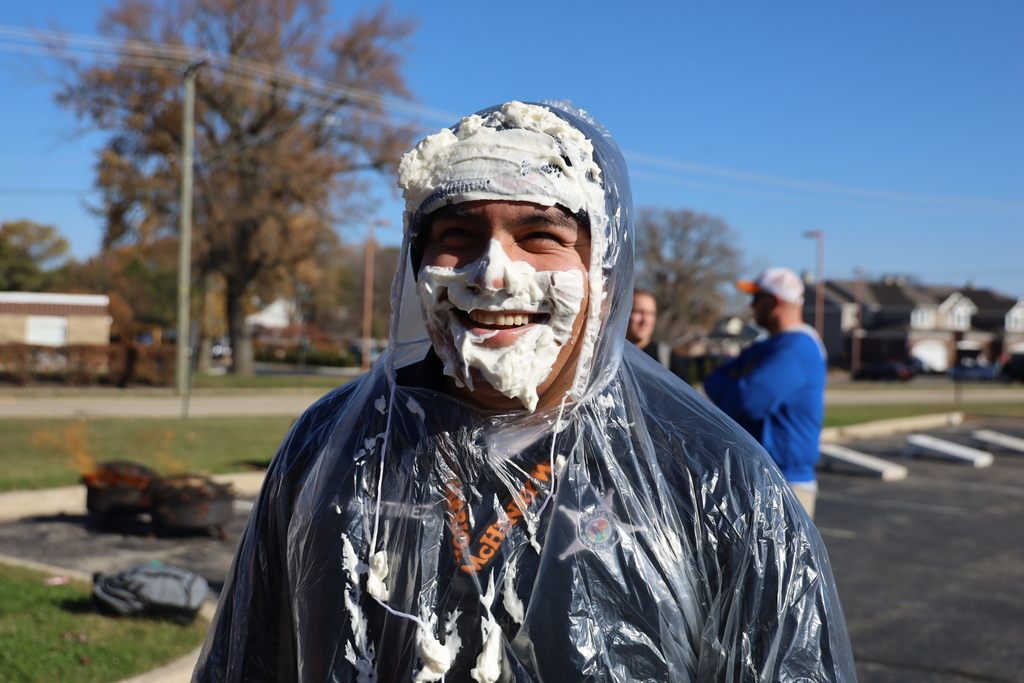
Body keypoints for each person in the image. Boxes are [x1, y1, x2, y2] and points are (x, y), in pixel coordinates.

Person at [193, 102, 854, 682]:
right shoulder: (331, 447)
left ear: (604, 268)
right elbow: (249, 659)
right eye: (457, 236)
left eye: (540, 236)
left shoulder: (712, 476)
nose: (493, 273)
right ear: (417, 262)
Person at [704, 267, 827, 519]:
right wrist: (737, 386)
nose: (751, 306)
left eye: (757, 299)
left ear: (775, 302)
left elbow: (747, 402)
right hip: (757, 477)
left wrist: (739, 384)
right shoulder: (766, 346)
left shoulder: (798, 348)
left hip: (785, 484)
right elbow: (713, 382)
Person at [626, 288, 690, 379]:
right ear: (625, 313)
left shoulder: (668, 359)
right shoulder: (609, 356)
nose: (645, 320)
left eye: (650, 314)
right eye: (638, 312)